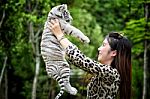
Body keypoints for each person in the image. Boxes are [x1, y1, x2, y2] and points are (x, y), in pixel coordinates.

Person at [49, 19, 132, 99]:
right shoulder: (103, 73)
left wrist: (60, 36)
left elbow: (81, 60)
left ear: (114, 53)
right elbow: (77, 60)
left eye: (103, 45)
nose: (99, 49)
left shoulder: (112, 73)